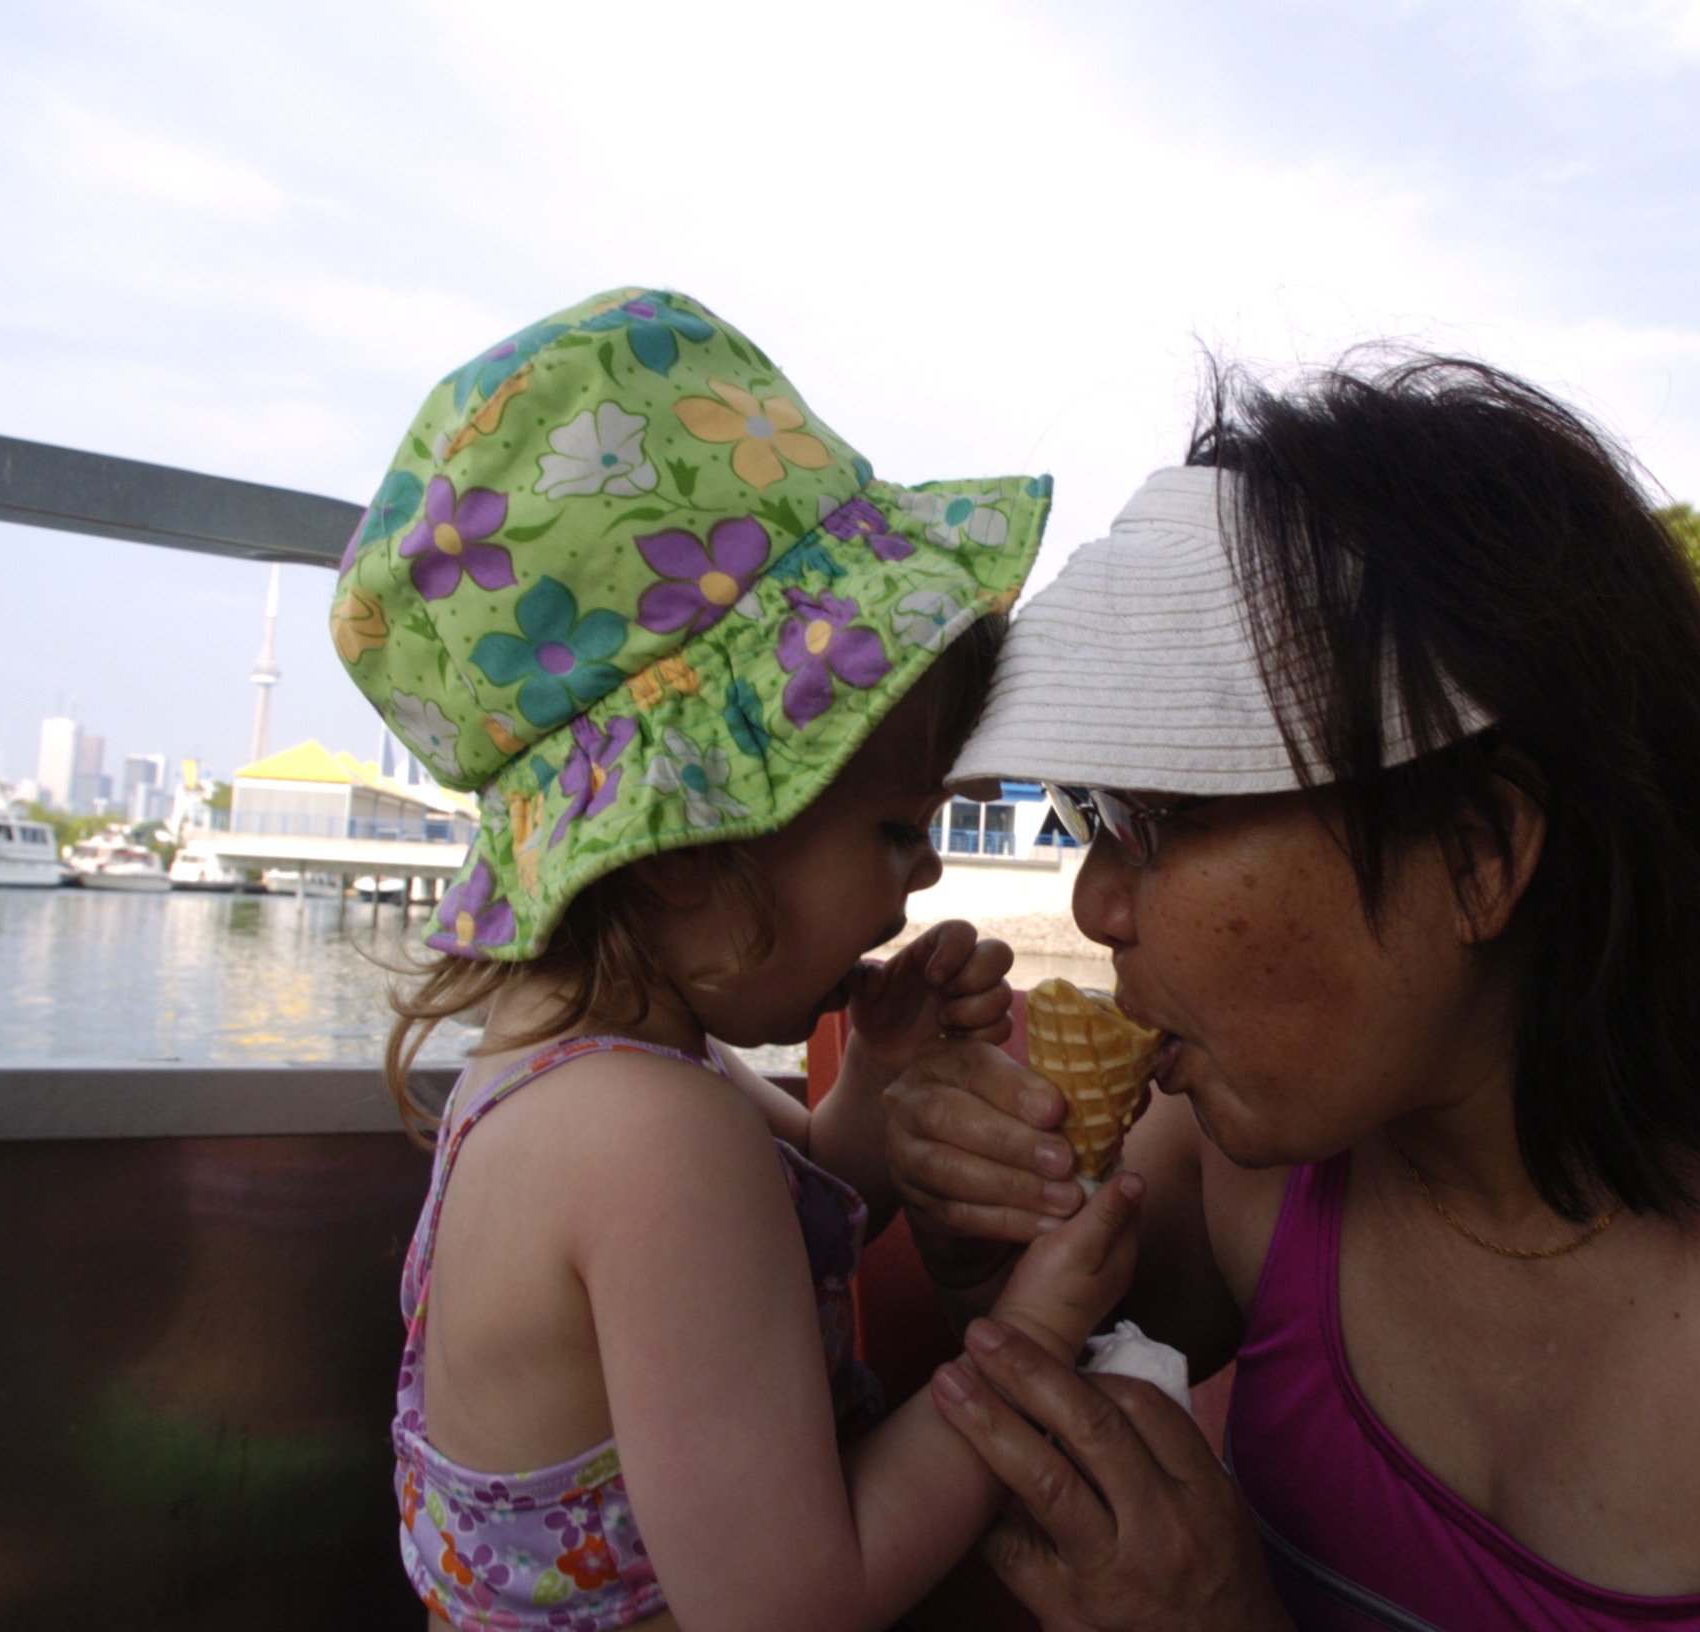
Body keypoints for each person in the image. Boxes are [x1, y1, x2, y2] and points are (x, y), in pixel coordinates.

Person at [887, 355, 1700, 1630]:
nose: (1096, 906)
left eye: (1163, 819)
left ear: (1480, 853)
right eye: (1097, 817)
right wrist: (983, 1256)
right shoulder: (1263, 1144)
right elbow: (1091, 1347)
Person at [336, 288, 1144, 1631]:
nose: (924, 876)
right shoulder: (653, 1138)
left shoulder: (584, 1077)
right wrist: (1036, 1339)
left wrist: (872, 1083)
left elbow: (798, 1216)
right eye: (896, 828)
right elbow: (794, 1604)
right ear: (688, 838)